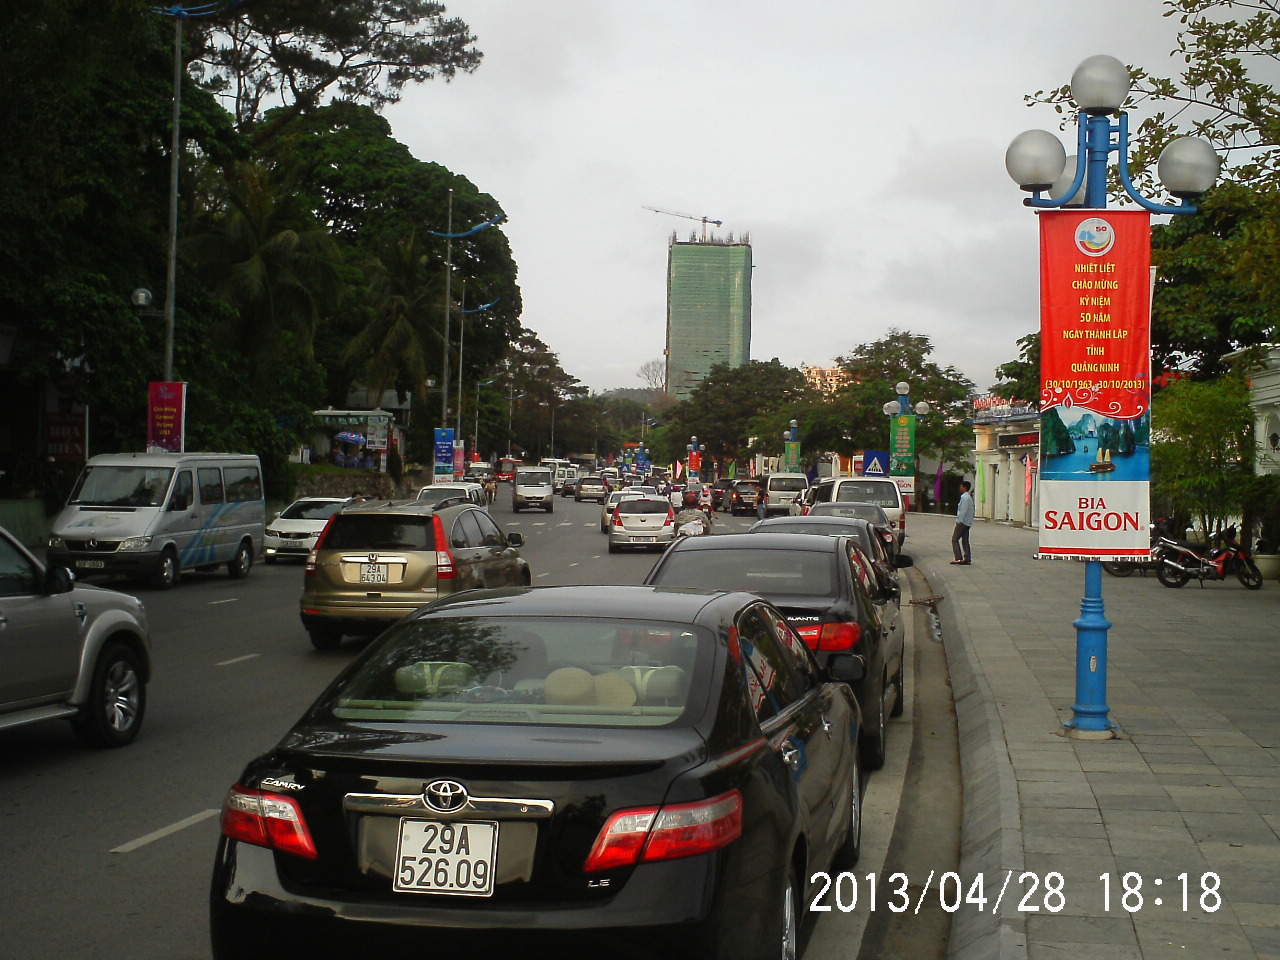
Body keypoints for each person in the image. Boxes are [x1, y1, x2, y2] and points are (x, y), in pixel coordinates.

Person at [951, 479, 974, 565]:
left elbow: (963, 511)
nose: (960, 487)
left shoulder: (964, 497)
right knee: (965, 540)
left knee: (954, 539)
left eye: (961, 486)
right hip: (968, 522)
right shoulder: (969, 497)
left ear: (964, 487)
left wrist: (959, 521)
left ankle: (958, 558)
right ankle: (967, 558)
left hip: (963, 522)